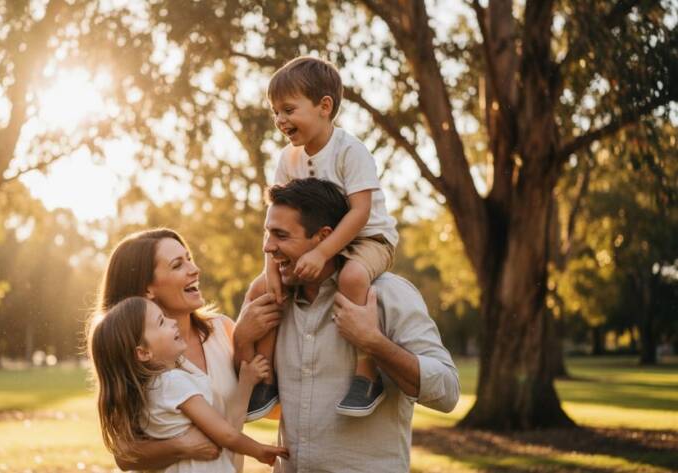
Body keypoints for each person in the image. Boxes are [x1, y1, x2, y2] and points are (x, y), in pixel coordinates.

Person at [234, 178, 460, 473]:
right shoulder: (272, 305)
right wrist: (241, 338)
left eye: (281, 235)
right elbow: (245, 401)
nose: (268, 247)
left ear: (323, 237)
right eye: (268, 234)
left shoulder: (388, 295)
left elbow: (447, 393)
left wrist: (373, 343)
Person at [245, 56, 399, 419]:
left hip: (368, 239)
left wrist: (322, 252)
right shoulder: (288, 159)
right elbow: (275, 216)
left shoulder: (349, 151)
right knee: (262, 289)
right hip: (317, 243)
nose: (280, 120)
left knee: (352, 277)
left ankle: (367, 374)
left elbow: (360, 212)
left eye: (288, 109)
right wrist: (270, 267)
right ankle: (266, 378)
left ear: (324, 106)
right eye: (275, 112)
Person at [91, 228, 263, 471]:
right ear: (147, 289)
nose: (194, 269)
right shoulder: (139, 358)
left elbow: (265, 400)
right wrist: (181, 446)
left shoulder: (223, 329)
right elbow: (124, 453)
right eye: (177, 265)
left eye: (189, 259)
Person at [87, 296, 288, 472]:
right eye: (161, 322)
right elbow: (225, 434)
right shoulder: (174, 383)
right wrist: (258, 450)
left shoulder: (145, 391)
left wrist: (246, 382)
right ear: (143, 352)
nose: (172, 322)